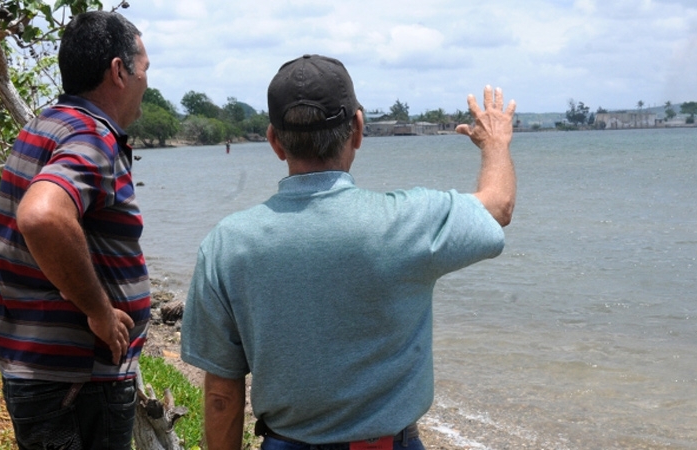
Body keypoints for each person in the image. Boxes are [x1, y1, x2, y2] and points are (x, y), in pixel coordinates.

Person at [180, 54, 516, 450]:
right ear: (358, 129)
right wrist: (495, 142)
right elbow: (498, 207)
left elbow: (222, 393)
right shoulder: (409, 221)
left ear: (274, 141)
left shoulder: (227, 244)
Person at [0, 10, 151, 450]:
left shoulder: (46, 125)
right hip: (77, 382)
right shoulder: (92, 138)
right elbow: (42, 216)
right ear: (119, 71)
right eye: (145, 70)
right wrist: (99, 310)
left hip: (39, 366)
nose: (146, 84)